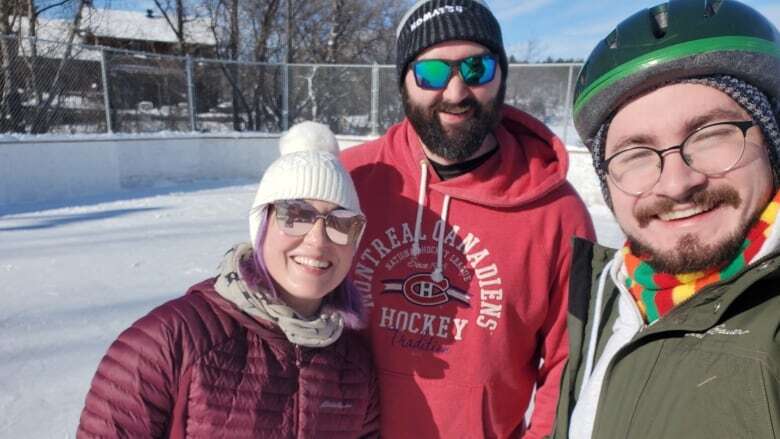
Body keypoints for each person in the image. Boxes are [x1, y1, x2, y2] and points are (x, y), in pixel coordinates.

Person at [340, 0, 595, 437]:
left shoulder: (558, 214)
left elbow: (567, 371)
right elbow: (280, 291)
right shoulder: (352, 180)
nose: (456, 93)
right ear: (403, 82)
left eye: (476, 69)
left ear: (502, 75)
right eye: (432, 73)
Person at [549, 1, 780, 438]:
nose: (676, 183)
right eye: (636, 155)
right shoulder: (617, 296)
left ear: (770, 145)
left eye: (710, 135)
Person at [77, 122, 379, 438]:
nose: (318, 241)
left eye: (341, 222)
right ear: (261, 224)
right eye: (296, 215)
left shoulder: (354, 366)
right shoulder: (166, 341)